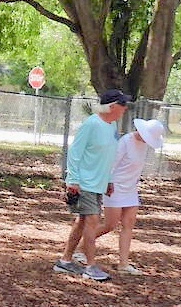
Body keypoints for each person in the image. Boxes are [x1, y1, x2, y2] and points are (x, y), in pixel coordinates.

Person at [56, 88, 131, 281]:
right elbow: (75, 153)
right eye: (122, 104)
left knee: (82, 222)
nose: (125, 108)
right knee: (92, 222)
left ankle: (65, 261)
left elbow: (108, 156)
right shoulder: (91, 124)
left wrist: (109, 180)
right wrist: (72, 180)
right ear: (112, 106)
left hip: (98, 184)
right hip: (84, 183)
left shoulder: (112, 125)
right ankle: (90, 266)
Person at [89, 118, 167, 275]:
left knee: (128, 224)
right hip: (115, 187)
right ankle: (81, 247)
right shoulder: (125, 141)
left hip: (131, 189)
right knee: (110, 225)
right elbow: (111, 163)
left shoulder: (144, 145)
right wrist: (107, 182)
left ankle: (123, 264)